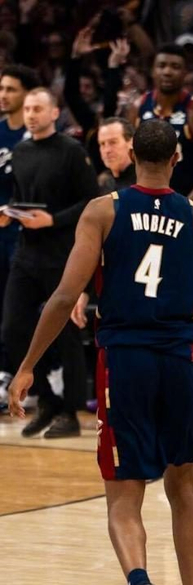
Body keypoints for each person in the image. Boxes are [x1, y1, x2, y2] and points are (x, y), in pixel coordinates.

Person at [8, 119, 193, 585]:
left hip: (124, 360)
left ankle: (139, 579)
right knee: (183, 488)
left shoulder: (102, 211)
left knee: (123, 494)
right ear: (177, 159)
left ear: (131, 156)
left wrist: (27, 366)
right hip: (179, 361)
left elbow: (64, 297)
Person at [2, 86, 98, 438]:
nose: (31, 114)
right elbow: (20, 196)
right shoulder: (21, 151)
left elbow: (91, 201)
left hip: (63, 253)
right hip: (27, 252)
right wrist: (9, 212)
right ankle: (46, 399)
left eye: (38, 109)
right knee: (12, 328)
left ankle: (70, 411)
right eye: (27, 109)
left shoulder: (71, 151)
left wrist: (54, 220)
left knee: (67, 332)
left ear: (54, 113)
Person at [132, 43, 193, 204]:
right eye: (162, 66)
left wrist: (181, 210)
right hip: (145, 203)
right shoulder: (137, 107)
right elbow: (129, 163)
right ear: (152, 71)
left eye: (175, 67)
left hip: (186, 201)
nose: (167, 72)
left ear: (185, 73)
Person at [0, 64, 37, 402]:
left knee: (16, 311)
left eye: (11, 89)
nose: (3, 95)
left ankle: (20, 375)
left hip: (23, 235)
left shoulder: (32, 137)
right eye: (1, 88)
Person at [97, 117, 137, 193]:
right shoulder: (101, 183)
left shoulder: (146, 181)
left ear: (131, 143)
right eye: (102, 144)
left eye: (113, 142)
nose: (107, 150)